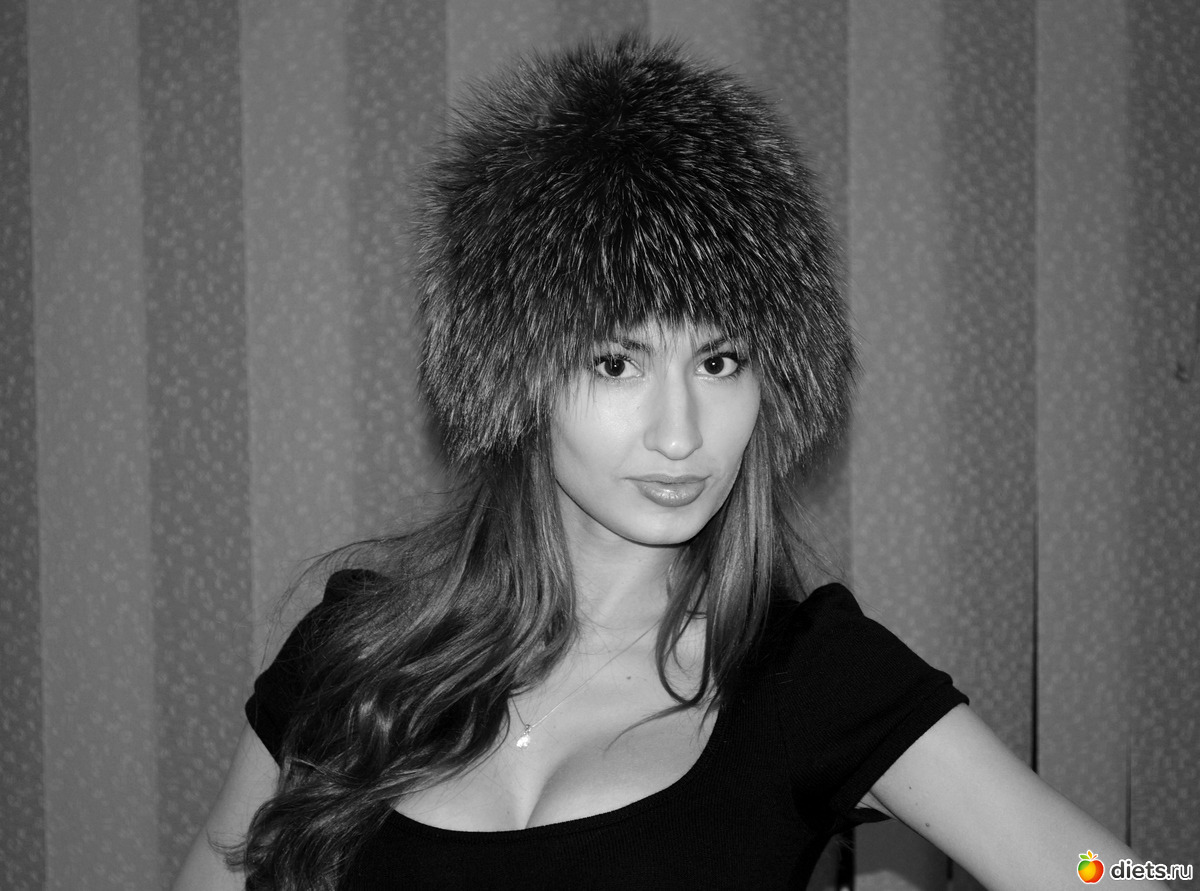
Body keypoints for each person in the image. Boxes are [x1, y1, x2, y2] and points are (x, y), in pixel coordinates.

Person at [174, 34, 1169, 891]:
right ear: (514, 378)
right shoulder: (349, 658)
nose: (683, 432)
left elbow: (1103, 873)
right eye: (617, 362)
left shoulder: (806, 678)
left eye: (720, 360)